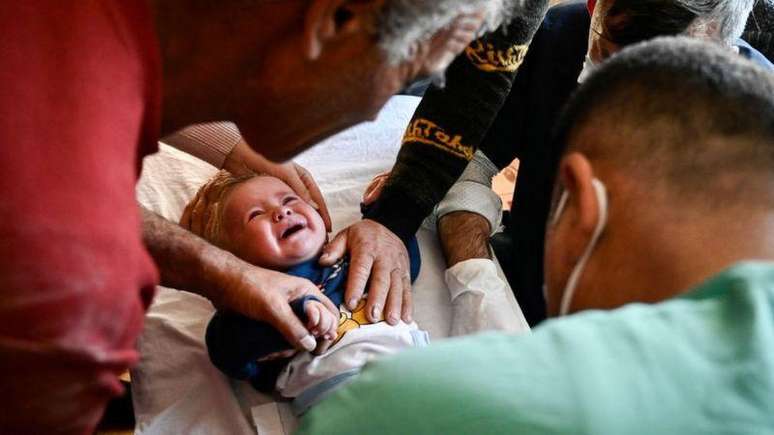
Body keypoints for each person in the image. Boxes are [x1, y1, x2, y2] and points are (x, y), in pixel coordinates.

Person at [0, 1, 530, 432]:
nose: (379, 116)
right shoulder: (62, 284)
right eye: (409, 77)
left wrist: (388, 216)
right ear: (335, 23)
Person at [295, 36, 774, 435]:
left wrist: (478, 290)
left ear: (580, 204)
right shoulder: (559, 36)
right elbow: (473, 156)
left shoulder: (392, 405)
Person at [361, 0, 772, 327]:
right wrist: (477, 282)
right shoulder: (556, 38)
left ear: (721, 46)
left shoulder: (757, 131)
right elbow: (469, 158)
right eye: (610, 58)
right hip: (522, 285)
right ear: (596, 7)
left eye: (662, 81)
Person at [180, 171, 424, 415]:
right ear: (234, 262)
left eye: (289, 200)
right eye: (255, 215)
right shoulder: (252, 302)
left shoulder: (351, 255)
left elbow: (402, 264)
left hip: (422, 364)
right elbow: (227, 350)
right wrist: (298, 312)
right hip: (349, 398)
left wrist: (379, 210)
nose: (282, 212)